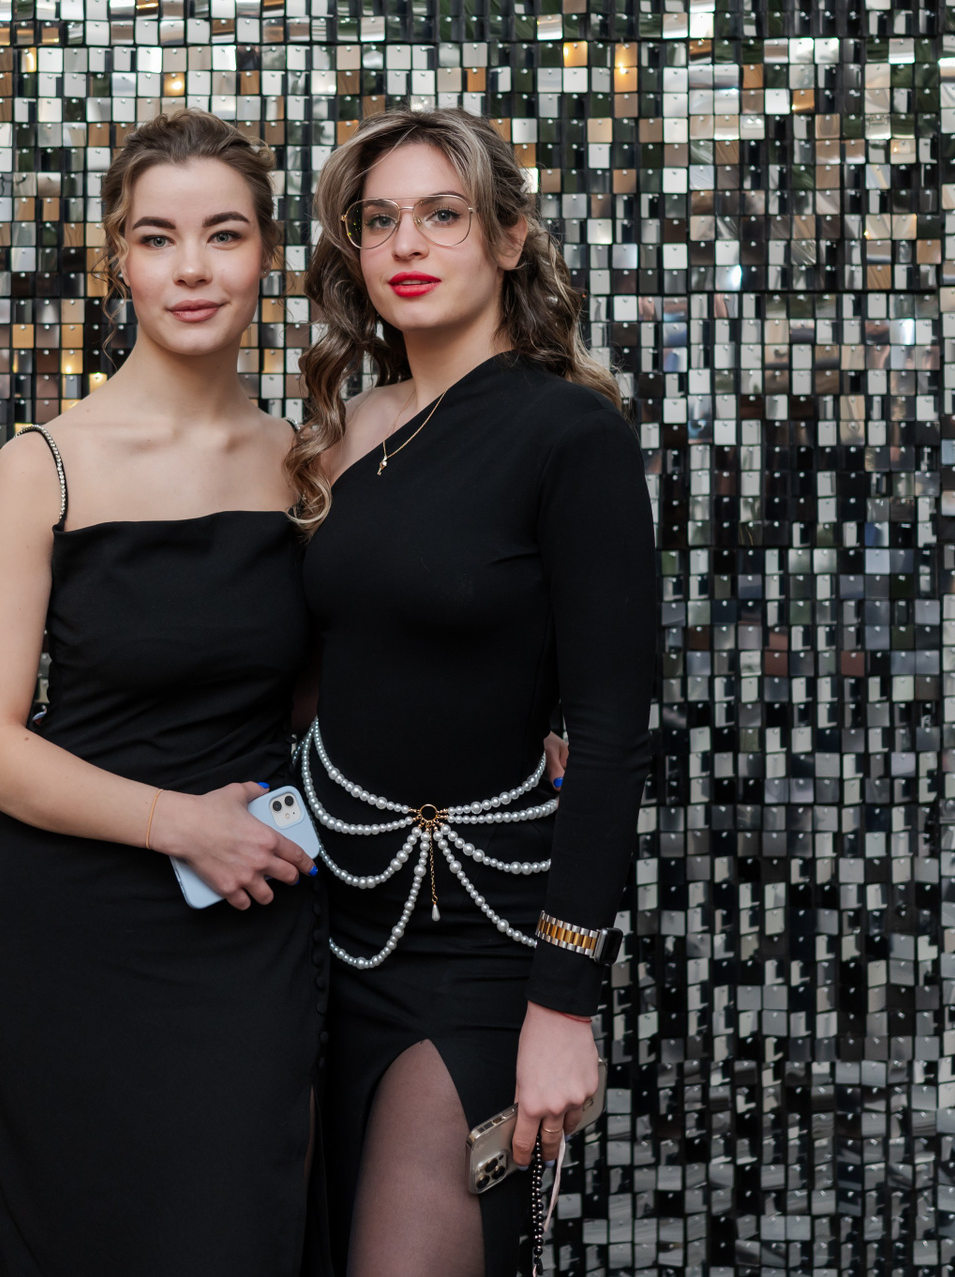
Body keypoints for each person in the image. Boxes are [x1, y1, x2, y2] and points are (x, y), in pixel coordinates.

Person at [0, 109, 327, 1277]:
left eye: (224, 234)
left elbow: (345, 694)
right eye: (159, 238)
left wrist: (525, 728)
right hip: (74, 934)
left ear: (268, 254)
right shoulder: (45, 465)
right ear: (121, 258)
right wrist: (180, 823)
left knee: (232, 1231)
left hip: (249, 928)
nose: (192, 268)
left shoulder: (307, 466)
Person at [292, 108, 658, 1277]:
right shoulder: (342, 434)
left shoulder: (571, 433)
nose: (407, 243)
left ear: (507, 239)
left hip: (483, 944)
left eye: (443, 215)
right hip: (316, 935)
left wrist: (563, 1003)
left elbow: (610, 732)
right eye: (380, 220)